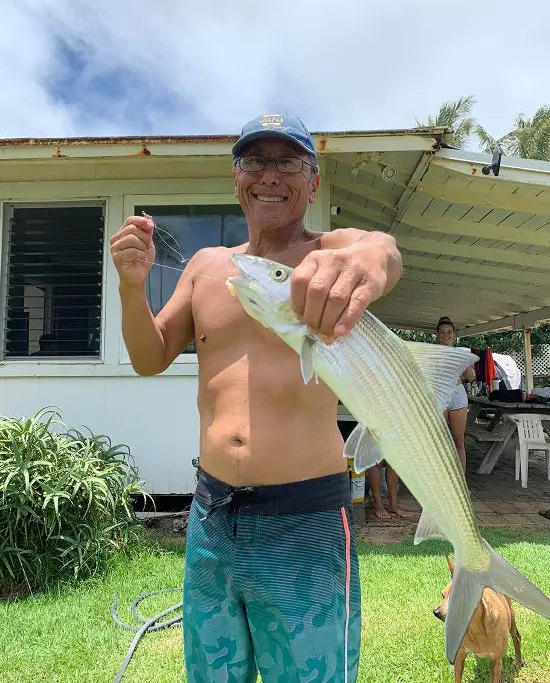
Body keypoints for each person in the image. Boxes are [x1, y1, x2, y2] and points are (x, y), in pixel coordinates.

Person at [109, 113, 403, 682]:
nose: (270, 175)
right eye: (256, 161)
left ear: (313, 181)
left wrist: (370, 260)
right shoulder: (205, 267)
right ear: (236, 178)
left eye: (288, 161)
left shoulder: (328, 254)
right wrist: (130, 286)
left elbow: (381, 252)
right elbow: (150, 357)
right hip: (213, 516)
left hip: (307, 519)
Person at [435, 316, 476, 472]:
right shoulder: (432, 353)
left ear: (454, 335)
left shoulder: (462, 352)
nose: (446, 335)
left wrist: (468, 367)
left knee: (459, 441)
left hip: (458, 396)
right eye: (443, 332)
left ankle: (461, 484)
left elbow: (471, 377)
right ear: (437, 334)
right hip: (439, 396)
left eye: (449, 332)